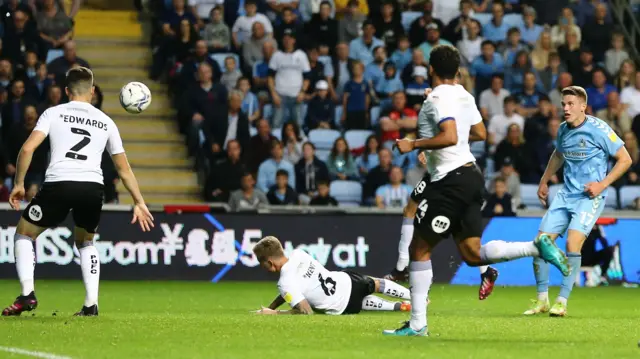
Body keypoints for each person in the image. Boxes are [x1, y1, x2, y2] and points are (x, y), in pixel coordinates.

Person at [383, 45, 573, 336]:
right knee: (472, 254)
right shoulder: (463, 94)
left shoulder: (437, 98)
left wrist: (415, 144)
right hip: (471, 176)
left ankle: (418, 324)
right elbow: (480, 134)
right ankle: (537, 247)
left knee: (419, 249)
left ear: (431, 69)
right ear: (456, 71)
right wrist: (449, 135)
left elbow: (449, 135)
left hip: (450, 181)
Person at [1, 67, 154, 317]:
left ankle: (27, 294)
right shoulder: (106, 121)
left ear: (66, 91)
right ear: (92, 91)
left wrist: (19, 184)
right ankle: (90, 305)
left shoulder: (53, 113)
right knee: (85, 242)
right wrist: (139, 201)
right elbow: (123, 169)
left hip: (59, 183)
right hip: (93, 188)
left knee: (24, 235)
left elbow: (27, 149)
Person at [523, 86, 631, 317]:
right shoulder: (563, 129)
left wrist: (602, 185)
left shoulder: (599, 129)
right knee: (540, 243)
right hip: (565, 194)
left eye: (571, 104)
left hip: (589, 196)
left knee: (573, 244)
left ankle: (561, 301)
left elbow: (625, 159)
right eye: (563, 104)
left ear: (583, 106)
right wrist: (544, 181)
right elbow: (559, 155)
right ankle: (542, 300)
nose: (566, 108)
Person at [253, 236, 411, 315]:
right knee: (374, 284)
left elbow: (305, 310)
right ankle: (415, 297)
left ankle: (398, 306)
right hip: (347, 281)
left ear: (269, 262)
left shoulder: (285, 282)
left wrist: (275, 313)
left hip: (343, 305)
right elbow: (291, 291)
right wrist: (271, 307)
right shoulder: (298, 253)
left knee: (360, 302)